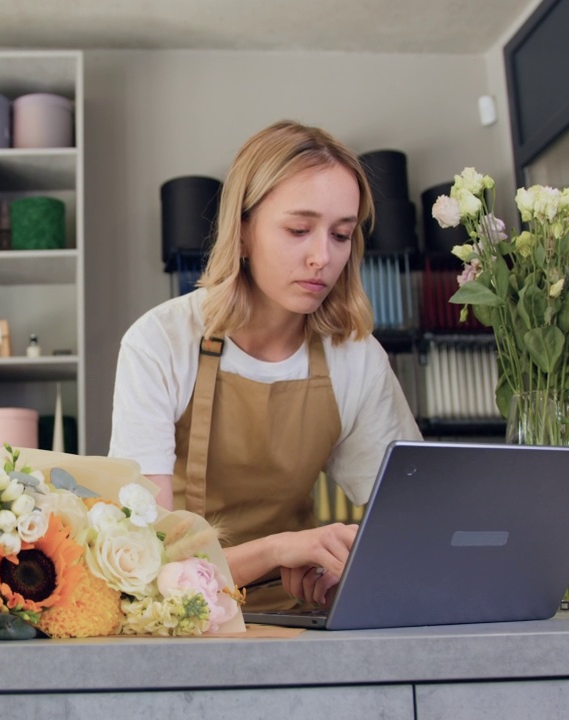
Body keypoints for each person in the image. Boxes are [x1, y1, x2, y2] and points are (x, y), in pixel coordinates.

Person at [109, 120, 421, 611]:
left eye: (341, 235)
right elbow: (142, 561)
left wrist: (348, 568)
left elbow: (414, 518)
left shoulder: (355, 357)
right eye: (299, 229)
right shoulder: (161, 343)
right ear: (243, 230)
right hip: (175, 617)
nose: (323, 256)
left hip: (296, 616)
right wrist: (279, 549)